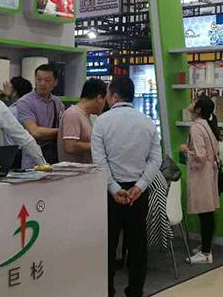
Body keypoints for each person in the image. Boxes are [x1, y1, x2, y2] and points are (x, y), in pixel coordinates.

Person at [91, 76, 162, 297]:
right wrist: (140, 187)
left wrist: (113, 188)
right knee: (138, 245)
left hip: (110, 192)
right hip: (137, 193)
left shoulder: (101, 122)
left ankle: (107, 290)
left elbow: (99, 161)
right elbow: (155, 159)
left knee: (109, 244)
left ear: (114, 96)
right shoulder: (147, 122)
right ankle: (135, 290)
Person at [178, 95, 220, 264]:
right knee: (207, 212)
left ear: (198, 109)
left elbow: (200, 156)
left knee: (205, 213)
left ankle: (206, 253)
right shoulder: (206, 125)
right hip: (209, 173)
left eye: (194, 101)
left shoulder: (196, 127)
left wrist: (185, 150)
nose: (191, 103)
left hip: (202, 175)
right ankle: (205, 246)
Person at [16, 64, 65, 165]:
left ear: (55, 82)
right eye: (39, 79)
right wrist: (62, 131)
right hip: (32, 161)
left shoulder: (57, 103)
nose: (42, 83)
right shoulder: (25, 102)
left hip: (54, 158)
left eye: (47, 80)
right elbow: (35, 132)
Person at [58, 78, 107, 163]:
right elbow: (70, 146)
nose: (104, 105)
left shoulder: (87, 116)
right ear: (99, 98)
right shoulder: (73, 114)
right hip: (73, 170)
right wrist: (98, 145)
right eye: (104, 101)